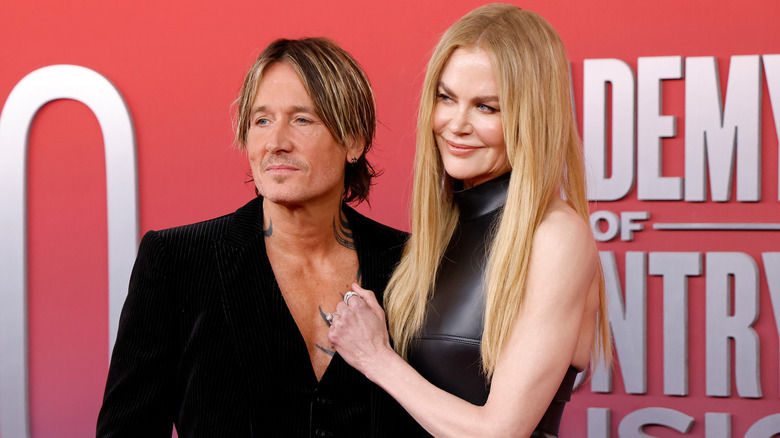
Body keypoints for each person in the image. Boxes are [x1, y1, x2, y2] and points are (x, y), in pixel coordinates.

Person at [97, 37, 411, 437]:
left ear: (354, 141)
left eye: (302, 119)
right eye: (261, 121)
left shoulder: (412, 263)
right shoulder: (176, 261)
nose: (276, 143)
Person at [328, 4, 612, 437]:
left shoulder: (556, 238)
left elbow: (498, 432)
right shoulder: (437, 232)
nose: (455, 125)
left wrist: (375, 358)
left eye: (487, 108)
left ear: (531, 117)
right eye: (446, 98)